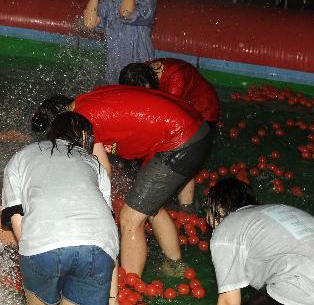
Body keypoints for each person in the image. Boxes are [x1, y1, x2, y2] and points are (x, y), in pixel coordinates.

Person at [2, 112, 123, 305]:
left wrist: (35, 259)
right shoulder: (94, 164)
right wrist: (113, 297)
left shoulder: (20, 157)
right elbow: (104, 228)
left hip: (43, 242)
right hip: (99, 249)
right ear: (85, 136)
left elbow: (18, 223)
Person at [71, 84, 211, 277]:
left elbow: (104, 171)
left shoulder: (80, 120)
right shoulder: (88, 99)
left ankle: (130, 287)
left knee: (129, 218)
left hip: (180, 140)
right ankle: (176, 264)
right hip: (196, 128)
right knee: (149, 206)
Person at [82, 0, 156, 84]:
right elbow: (89, 23)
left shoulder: (146, 0)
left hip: (141, 77)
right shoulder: (109, 0)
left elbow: (127, 14)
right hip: (114, 75)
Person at [119, 58, 220, 124]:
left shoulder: (176, 77)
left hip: (204, 108)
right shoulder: (145, 71)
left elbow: (168, 111)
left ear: (147, 85)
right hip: (184, 103)